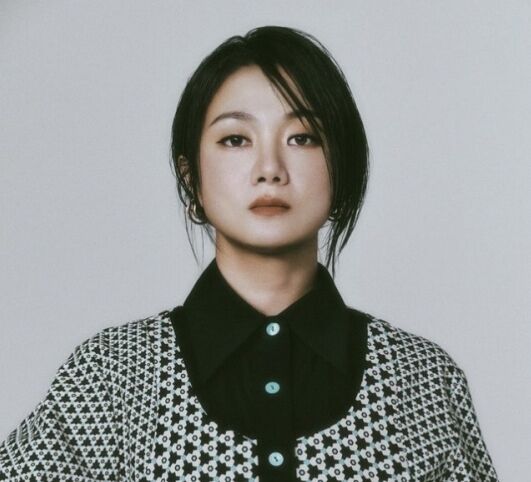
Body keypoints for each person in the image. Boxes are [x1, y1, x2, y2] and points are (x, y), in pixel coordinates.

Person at [0, 26, 499, 482]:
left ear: (342, 167)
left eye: (302, 137)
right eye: (236, 139)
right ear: (191, 177)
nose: (270, 168)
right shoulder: (112, 375)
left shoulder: (425, 379)